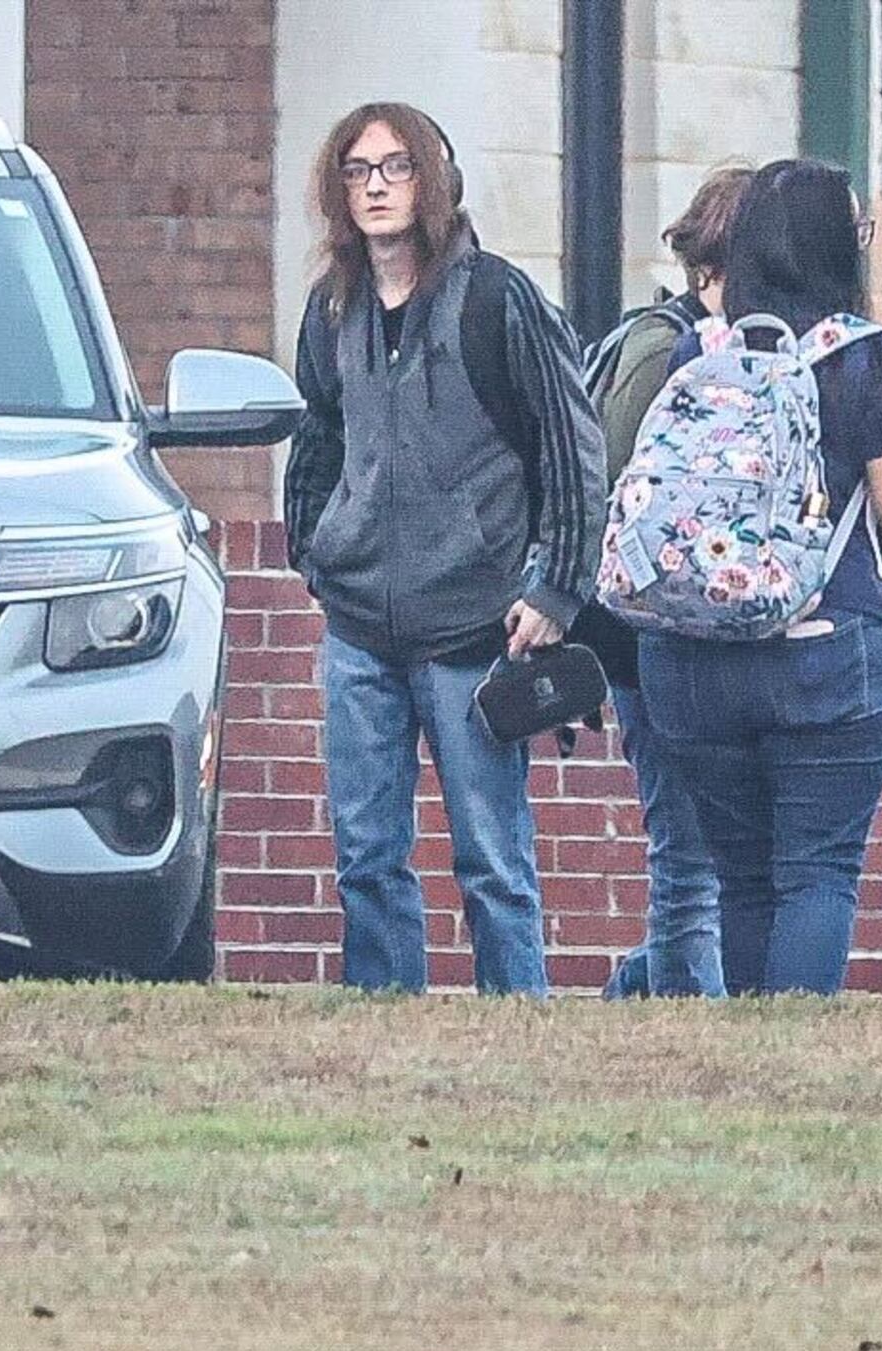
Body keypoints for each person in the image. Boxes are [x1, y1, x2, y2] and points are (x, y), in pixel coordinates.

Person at [282, 102, 604, 996]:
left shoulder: (498, 297)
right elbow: (317, 433)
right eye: (358, 170)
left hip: (474, 625)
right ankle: (387, 1028)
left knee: (492, 860)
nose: (376, 186)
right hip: (359, 628)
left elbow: (571, 447)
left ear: (432, 180)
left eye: (395, 167)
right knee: (365, 856)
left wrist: (557, 588)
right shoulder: (332, 306)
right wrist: (315, 547)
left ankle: (519, 1027)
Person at [630, 159, 882, 996]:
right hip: (825, 652)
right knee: (818, 870)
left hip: (693, 658)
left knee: (742, 875)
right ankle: (794, 1050)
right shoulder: (867, 355)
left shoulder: (699, 348)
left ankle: (750, 1052)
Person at [580, 166, 750, 1000]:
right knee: (687, 849)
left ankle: (641, 990)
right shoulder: (662, 349)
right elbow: (621, 496)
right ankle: (687, 1016)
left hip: (704, 641)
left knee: (713, 850)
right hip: (650, 640)